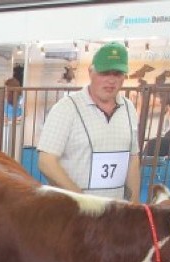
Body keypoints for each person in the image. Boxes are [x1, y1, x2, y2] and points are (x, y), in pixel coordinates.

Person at [37, 41, 140, 202]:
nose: (111, 80)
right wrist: (83, 201)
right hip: (74, 213)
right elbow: (46, 162)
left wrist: (134, 205)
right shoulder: (66, 108)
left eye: (117, 74)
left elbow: (133, 159)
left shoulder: (129, 109)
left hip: (117, 212)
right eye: (105, 73)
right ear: (91, 72)